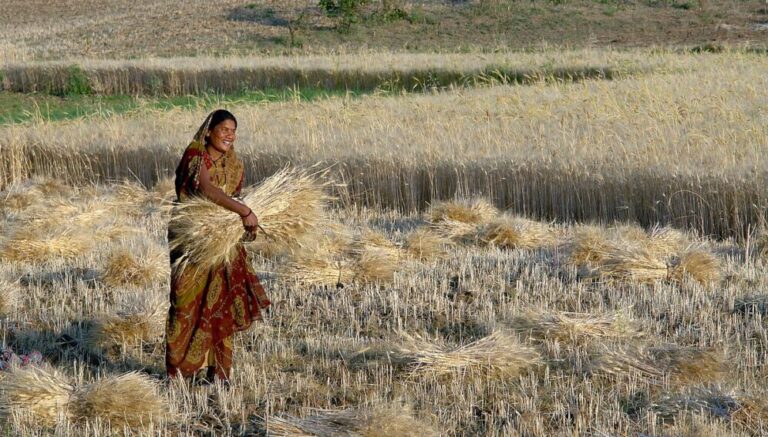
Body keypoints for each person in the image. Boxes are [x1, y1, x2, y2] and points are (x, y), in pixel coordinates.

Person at [166, 109, 271, 385]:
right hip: (192, 242)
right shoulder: (195, 155)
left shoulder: (234, 164)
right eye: (224, 129)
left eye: (233, 131)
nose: (230, 135)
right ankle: (180, 373)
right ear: (209, 131)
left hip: (223, 245)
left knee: (220, 305)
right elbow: (205, 188)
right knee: (185, 304)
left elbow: (233, 200)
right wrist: (244, 210)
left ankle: (219, 375)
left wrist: (244, 226)